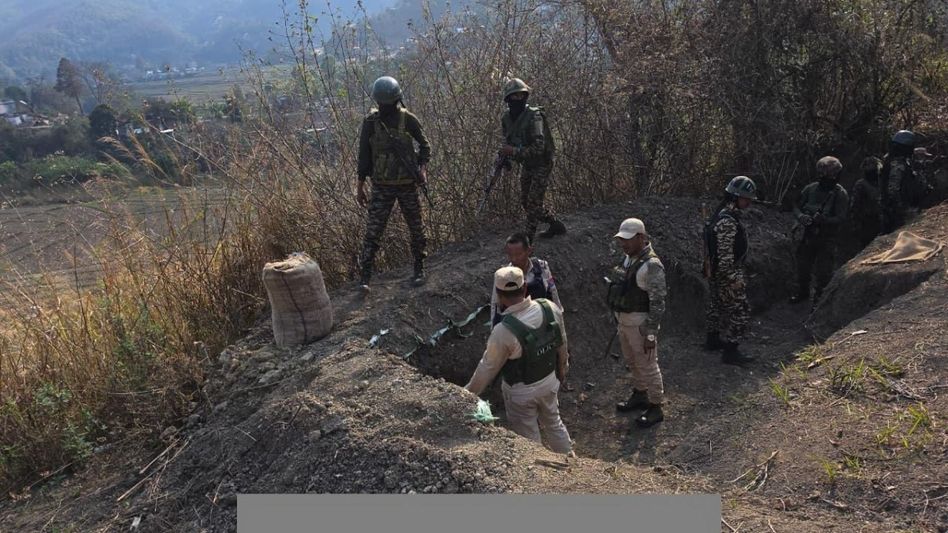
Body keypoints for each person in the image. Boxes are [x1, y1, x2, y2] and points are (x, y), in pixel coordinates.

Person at [465, 266, 572, 455]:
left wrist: (466, 394)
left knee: (529, 440)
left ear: (498, 295)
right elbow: (561, 342)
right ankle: (571, 462)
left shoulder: (503, 331)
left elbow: (487, 368)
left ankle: (541, 476)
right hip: (549, 381)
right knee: (554, 423)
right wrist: (563, 369)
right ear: (524, 289)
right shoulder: (549, 308)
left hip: (520, 394)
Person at [356, 76, 431, 290]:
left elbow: (425, 147)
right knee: (373, 231)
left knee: (416, 228)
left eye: (387, 104)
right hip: (381, 185)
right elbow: (364, 156)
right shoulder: (371, 122)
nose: (384, 107)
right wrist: (360, 186)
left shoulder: (407, 120)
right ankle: (365, 276)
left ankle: (419, 268)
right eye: (381, 104)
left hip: (407, 183)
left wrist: (422, 170)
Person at [607, 218, 667, 428]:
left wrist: (651, 334)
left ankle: (656, 406)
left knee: (649, 365)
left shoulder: (651, 266)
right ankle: (640, 393)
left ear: (641, 238)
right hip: (624, 323)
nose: (623, 244)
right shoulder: (628, 259)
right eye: (622, 240)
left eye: (628, 239)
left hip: (640, 325)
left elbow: (658, 302)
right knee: (632, 361)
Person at [500, 78, 566, 242]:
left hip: (542, 163)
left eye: (521, 96)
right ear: (508, 99)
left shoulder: (534, 116)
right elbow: (508, 141)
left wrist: (514, 151)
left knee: (533, 203)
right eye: (514, 97)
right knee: (526, 202)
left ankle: (527, 240)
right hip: (527, 164)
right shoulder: (507, 119)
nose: (518, 99)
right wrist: (505, 156)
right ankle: (554, 224)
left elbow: (539, 148)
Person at [703, 176, 757, 367]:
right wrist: (735, 279)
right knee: (741, 310)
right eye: (746, 198)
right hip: (726, 273)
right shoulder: (727, 221)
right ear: (735, 197)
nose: (749, 202)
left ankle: (712, 340)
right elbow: (725, 256)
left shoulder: (720, 213)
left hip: (715, 272)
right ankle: (731, 352)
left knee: (715, 306)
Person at [789, 156, 849, 306]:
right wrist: (801, 217)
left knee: (824, 272)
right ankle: (803, 292)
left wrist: (825, 220)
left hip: (827, 238)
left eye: (833, 175)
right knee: (803, 267)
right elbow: (796, 206)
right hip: (808, 235)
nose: (830, 178)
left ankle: (819, 299)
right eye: (828, 175)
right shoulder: (810, 189)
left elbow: (841, 218)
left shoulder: (840, 194)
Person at [490, 232, 562, 327]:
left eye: (518, 254)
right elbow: (495, 306)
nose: (514, 259)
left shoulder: (542, 267)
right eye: (510, 255)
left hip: (541, 324)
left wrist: (559, 316)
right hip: (517, 330)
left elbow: (553, 293)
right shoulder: (503, 276)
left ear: (529, 251)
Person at [879, 130, 918, 234]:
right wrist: (902, 210)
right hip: (894, 213)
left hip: (892, 209)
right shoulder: (897, 164)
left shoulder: (892, 160)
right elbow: (893, 190)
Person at [850, 156, 883, 249]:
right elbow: (855, 206)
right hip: (867, 223)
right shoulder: (861, 184)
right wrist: (856, 225)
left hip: (879, 221)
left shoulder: (881, 183)